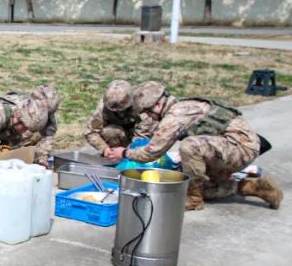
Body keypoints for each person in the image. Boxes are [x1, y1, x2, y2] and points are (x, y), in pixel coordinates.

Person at [107, 82, 282, 211]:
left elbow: (152, 152)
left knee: (189, 147)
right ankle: (254, 187)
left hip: (240, 148)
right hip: (227, 147)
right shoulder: (182, 107)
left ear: (158, 104)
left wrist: (125, 153)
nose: (149, 117)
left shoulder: (176, 115)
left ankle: (194, 199)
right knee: (187, 184)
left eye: (148, 112)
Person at [0, 87, 61, 166]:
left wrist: (41, 158)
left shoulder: (37, 113)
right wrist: (2, 166)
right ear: (17, 113)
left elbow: (48, 137)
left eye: (25, 127)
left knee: (32, 139)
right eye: (20, 122)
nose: (21, 128)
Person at [83, 80, 154, 157]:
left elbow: (145, 132)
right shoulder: (102, 109)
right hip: (118, 137)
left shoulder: (141, 105)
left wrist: (129, 152)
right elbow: (91, 132)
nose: (118, 112)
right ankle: (114, 156)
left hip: (136, 137)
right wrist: (104, 148)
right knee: (110, 132)